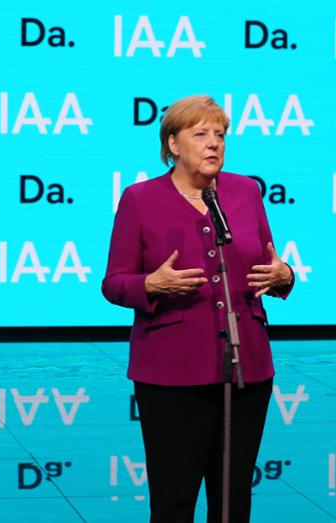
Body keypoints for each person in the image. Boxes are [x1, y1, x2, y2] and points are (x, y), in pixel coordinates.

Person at [101, 95, 294, 523]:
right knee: (174, 500)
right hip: (171, 373)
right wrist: (150, 284)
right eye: (201, 134)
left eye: (220, 135)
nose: (214, 143)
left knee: (232, 500)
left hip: (247, 368)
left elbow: (271, 261)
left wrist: (285, 276)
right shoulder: (139, 199)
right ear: (172, 144)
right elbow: (113, 283)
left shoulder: (245, 191)